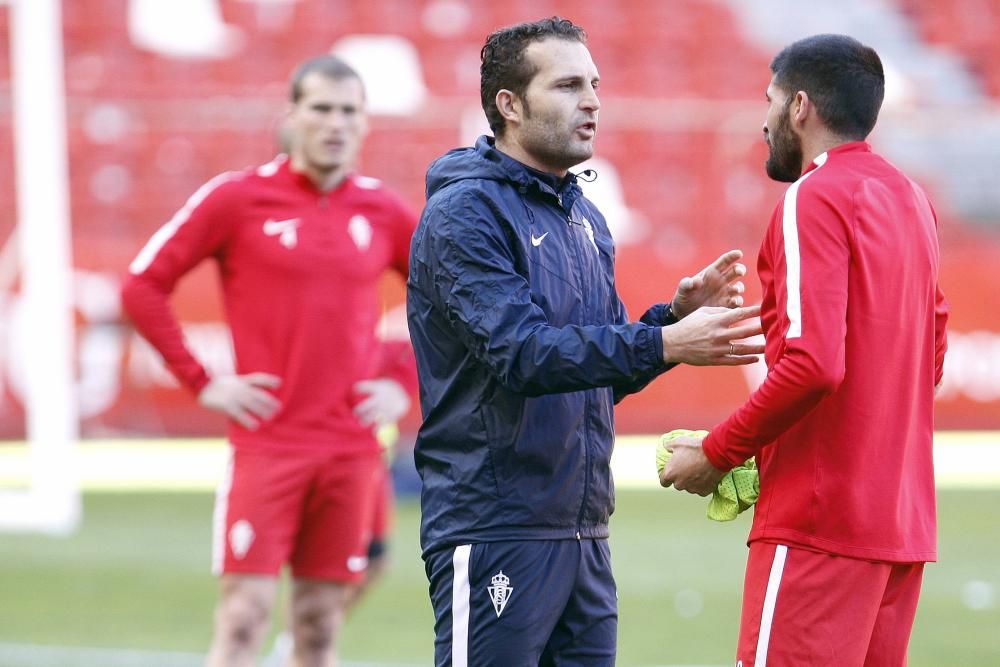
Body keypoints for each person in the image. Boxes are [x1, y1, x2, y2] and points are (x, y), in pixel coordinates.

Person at [406, 16, 765, 666]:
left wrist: (665, 321)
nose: (594, 100)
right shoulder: (466, 213)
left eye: (594, 84)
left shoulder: (583, 216)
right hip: (495, 528)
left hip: (583, 533)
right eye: (569, 85)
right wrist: (667, 344)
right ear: (508, 105)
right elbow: (522, 353)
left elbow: (595, 364)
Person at [660, 34, 950, 666]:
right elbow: (930, 357)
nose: (762, 120)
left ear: (798, 106)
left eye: (767, 101)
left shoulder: (811, 197)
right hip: (898, 530)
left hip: (818, 528)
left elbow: (814, 363)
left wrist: (718, 452)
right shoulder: (913, 200)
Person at [121, 55, 418, 667]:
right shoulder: (237, 198)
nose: (335, 123)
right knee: (241, 620)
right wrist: (202, 383)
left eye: (349, 111)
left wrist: (403, 382)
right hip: (268, 445)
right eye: (322, 109)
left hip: (351, 447)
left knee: (317, 629)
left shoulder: (383, 210)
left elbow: (451, 303)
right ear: (292, 118)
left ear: (364, 124)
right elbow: (142, 286)